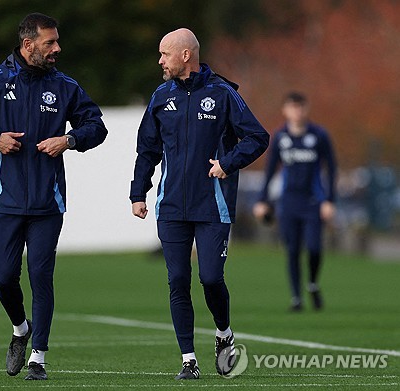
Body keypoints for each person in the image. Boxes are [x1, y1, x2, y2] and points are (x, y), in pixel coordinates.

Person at [0, 13, 108, 380]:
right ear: (28, 45)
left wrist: (69, 140)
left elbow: (96, 126)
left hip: (47, 203)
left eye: (57, 41)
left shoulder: (65, 86)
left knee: (41, 274)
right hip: (3, 201)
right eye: (50, 43)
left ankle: (39, 358)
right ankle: (21, 328)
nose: (57, 48)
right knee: (4, 277)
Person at [130, 28, 269, 380]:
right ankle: (188, 360)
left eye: (165, 53)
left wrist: (228, 163)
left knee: (210, 278)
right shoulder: (161, 96)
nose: (160, 61)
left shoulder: (222, 94)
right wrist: (138, 193)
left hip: (213, 207)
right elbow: (147, 149)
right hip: (172, 207)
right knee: (177, 279)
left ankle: (223, 334)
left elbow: (258, 137)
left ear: (185, 55)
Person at [253, 92, 336, 312]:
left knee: (315, 248)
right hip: (289, 202)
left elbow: (332, 167)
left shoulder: (319, 136)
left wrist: (329, 200)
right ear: (285, 110)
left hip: (313, 202)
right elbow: (270, 170)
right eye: (293, 107)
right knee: (292, 250)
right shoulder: (280, 137)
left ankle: (312, 283)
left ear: (306, 109)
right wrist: (262, 200)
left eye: (301, 107)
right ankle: (296, 297)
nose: (297, 112)